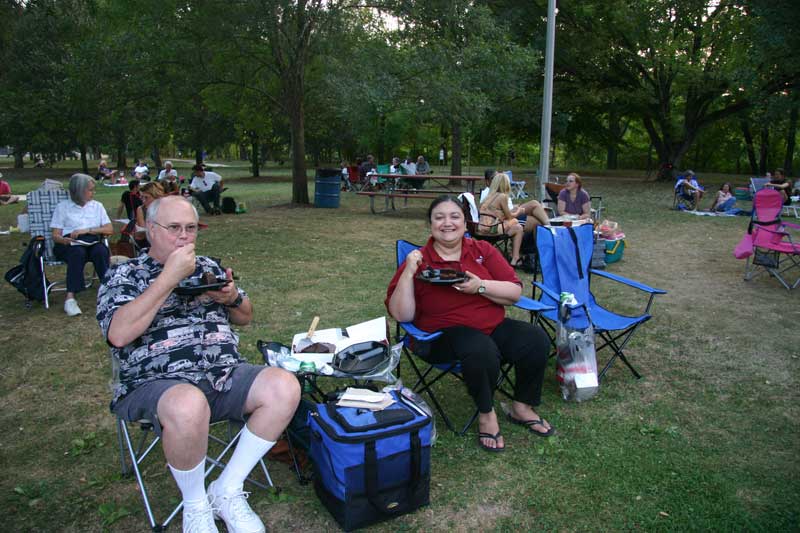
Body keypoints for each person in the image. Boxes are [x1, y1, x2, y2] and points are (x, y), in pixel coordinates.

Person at [97, 195, 300, 533]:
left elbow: (245, 317)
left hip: (223, 374)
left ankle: (227, 489)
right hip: (154, 384)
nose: (184, 236)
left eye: (191, 228)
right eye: (174, 228)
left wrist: (231, 297)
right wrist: (169, 279)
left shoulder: (208, 266)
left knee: (285, 385)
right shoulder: (124, 274)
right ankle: (195, 506)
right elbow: (118, 334)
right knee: (189, 404)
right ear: (149, 228)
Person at [386, 196, 553, 452]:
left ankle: (521, 406)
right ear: (430, 224)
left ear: (466, 223)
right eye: (439, 217)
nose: (447, 223)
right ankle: (487, 413)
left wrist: (480, 286)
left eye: (455, 217)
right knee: (479, 348)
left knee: (535, 339)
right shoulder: (420, 259)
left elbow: (514, 292)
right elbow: (402, 315)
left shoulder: (482, 251)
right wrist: (409, 272)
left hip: (490, 327)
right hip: (439, 337)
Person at [50, 174, 113, 317]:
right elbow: (55, 235)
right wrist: (64, 240)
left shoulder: (97, 206)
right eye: (90, 190)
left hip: (90, 241)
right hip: (68, 244)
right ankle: (70, 298)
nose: (93, 193)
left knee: (100, 251)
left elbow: (109, 229)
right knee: (77, 252)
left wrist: (88, 230)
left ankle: (108, 291)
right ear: (79, 191)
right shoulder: (63, 207)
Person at [480, 171, 549, 234]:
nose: (498, 179)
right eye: (494, 178)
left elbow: (497, 208)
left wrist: (515, 207)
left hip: (506, 216)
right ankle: (551, 227)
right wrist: (518, 211)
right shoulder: (491, 193)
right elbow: (507, 216)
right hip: (504, 220)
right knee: (537, 217)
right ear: (487, 181)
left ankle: (549, 226)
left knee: (535, 209)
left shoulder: (495, 194)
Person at [479, 173, 525, 267]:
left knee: (516, 226)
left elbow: (496, 213)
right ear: (505, 184)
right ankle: (515, 259)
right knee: (517, 225)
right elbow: (510, 217)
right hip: (491, 229)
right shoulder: (502, 196)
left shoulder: (488, 196)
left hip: (481, 228)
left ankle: (514, 257)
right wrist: (519, 211)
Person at [134, 181, 167, 248]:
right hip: (147, 242)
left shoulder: (167, 208)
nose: (143, 201)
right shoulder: (141, 209)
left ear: (157, 197)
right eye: (142, 197)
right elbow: (143, 230)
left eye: (146, 198)